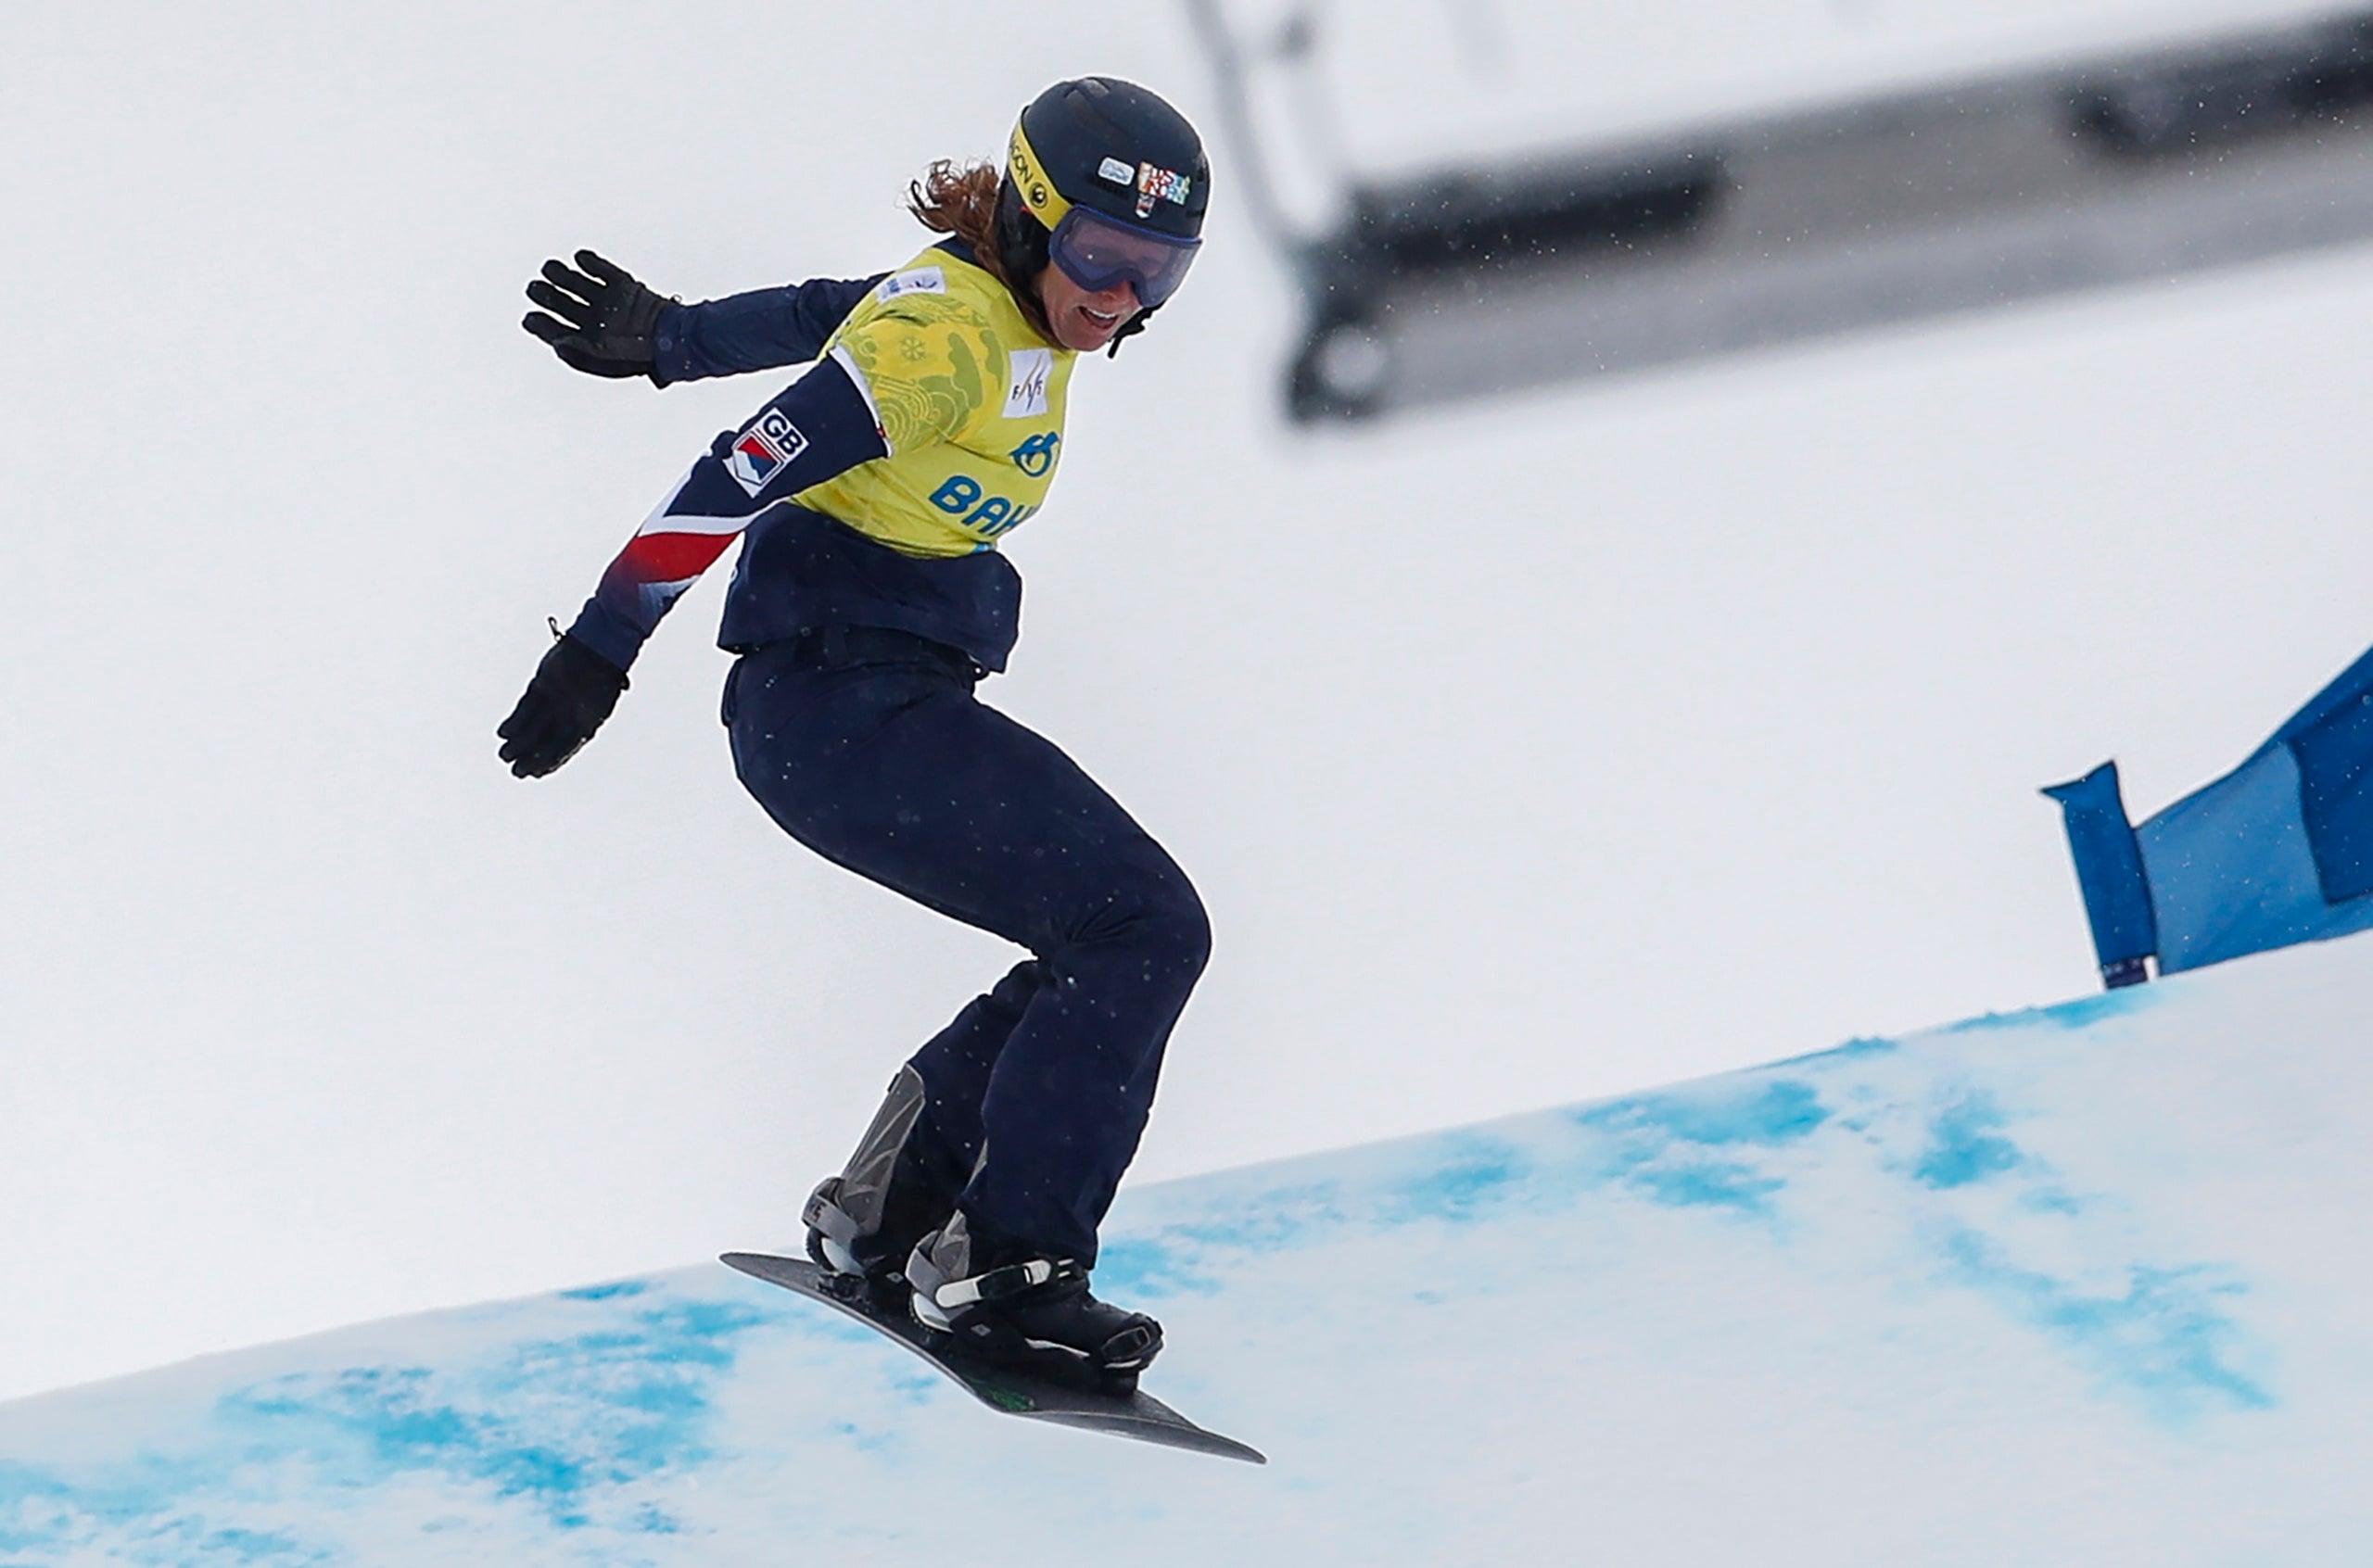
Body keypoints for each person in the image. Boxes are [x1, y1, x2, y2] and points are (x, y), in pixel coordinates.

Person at [498, 79, 1212, 1389]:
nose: (1117, 301)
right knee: (1142, 928)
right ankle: (1008, 1266)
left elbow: (834, 307)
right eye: (1101, 260)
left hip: (879, 699)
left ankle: (890, 1213)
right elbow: (736, 473)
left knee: (1099, 935)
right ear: (1036, 218)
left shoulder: (991, 304)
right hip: (835, 710)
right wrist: (601, 649)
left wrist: (670, 333)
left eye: (1157, 274)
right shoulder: (943, 348)